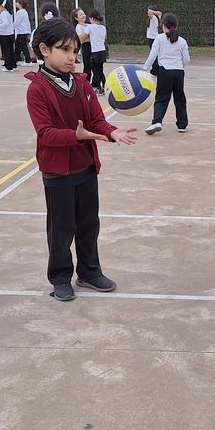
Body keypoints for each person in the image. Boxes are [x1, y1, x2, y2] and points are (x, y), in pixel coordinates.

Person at [25, 18, 137, 302]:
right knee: (61, 229)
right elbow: (45, 134)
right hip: (58, 173)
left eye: (74, 50)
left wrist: (112, 132)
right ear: (44, 50)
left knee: (89, 225)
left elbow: (97, 120)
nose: (71, 57)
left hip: (86, 168)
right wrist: (76, 136)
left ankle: (88, 271)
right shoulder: (37, 89)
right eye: (64, 50)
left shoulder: (82, 83)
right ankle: (61, 277)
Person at [142, 13, 190, 134]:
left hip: (165, 72)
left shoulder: (159, 38)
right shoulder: (182, 41)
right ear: (176, 26)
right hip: (179, 73)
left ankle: (157, 122)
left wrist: (144, 70)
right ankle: (182, 125)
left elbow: (152, 56)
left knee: (161, 98)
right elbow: (186, 59)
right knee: (180, 98)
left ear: (163, 26)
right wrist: (179, 67)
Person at [88, 9, 107, 94]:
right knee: (100, 70)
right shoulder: (103, 27)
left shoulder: (90, 27)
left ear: (92, 18)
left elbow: (84, 35)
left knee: (95, 71)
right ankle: (105, 86)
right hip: (102, 51)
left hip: (95, 52)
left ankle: (98, 88)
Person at [0, 0, 17, 72]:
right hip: (10, 34)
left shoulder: (4, 13)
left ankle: (8, 67)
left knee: (5, 51)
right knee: (10, 50)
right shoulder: (9, 13)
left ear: (2, 6)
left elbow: (5, 23)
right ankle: (13, 65)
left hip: (4, 35)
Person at [71, 8, 92, 81]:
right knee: (87, 66)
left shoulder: (89, 25)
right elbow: (81, 38)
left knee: (94, 66)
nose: (83, 15)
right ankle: (85, 81)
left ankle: (95, 83)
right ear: (76, 18)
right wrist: (88, 33)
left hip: (93, 46)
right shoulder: (78, 27)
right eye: (80, 15)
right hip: (86, 46)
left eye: (83, 14)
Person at [13, 0, 32, 65]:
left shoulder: (20, 12)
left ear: (21, 4)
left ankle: (28, 61)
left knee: (23, 46)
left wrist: (11, 28)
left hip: (22, 32)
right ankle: (17, 59)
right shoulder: (24, 11)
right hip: (23, 31)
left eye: (17, 2)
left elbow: (16, 23)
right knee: (18, 45)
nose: (15, 3)